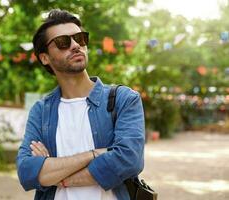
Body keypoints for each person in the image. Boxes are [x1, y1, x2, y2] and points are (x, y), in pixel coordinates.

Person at [16, 9, 145, 200]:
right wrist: (93, 155)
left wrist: (56, 175)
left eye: (80, 38)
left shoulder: (123, 99)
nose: (76, 45)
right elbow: (27, 172)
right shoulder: (42, 111)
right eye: (63, 42)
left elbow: (128, 160)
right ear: (45, 58)